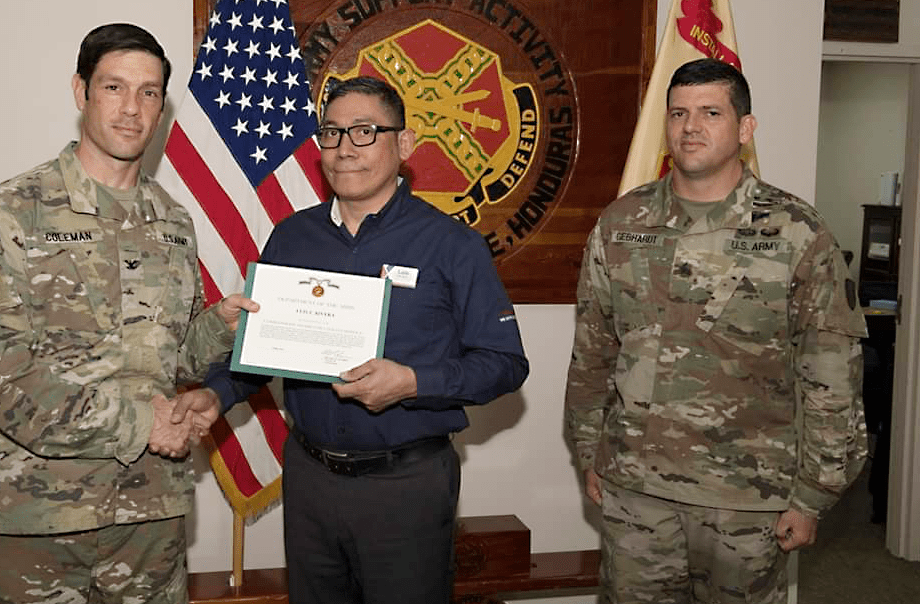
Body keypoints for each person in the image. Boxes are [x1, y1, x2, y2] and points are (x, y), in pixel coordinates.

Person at [0, 23, 256, 604]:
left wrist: (218, 328)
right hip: (34, 521)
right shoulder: (0, 215)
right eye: (114, 88)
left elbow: (171, 358)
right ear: (80, 91)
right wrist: (143, 425)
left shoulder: (173, 221)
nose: (132, 109)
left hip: (150, 518)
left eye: (150, 92)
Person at [198, 76, 529, 604]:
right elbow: (266, 349)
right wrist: (213, 395)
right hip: (308, 480)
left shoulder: (452, 245)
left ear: (404, 144)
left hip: (406, 487)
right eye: (331, 133)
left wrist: (413, 383)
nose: (345, 148)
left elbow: (505, 364)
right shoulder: (291, 236)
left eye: (364, 132)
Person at [564, 58, 867, 604]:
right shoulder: (621, 225)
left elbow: (831, 375)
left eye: (710, 112)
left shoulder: (797, 232)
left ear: (745, 128)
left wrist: (813, 495)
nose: (690, 127)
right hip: (637, 493)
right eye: (678, 113)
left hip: (749, 501)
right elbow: (593, 351)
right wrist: (590, 453)